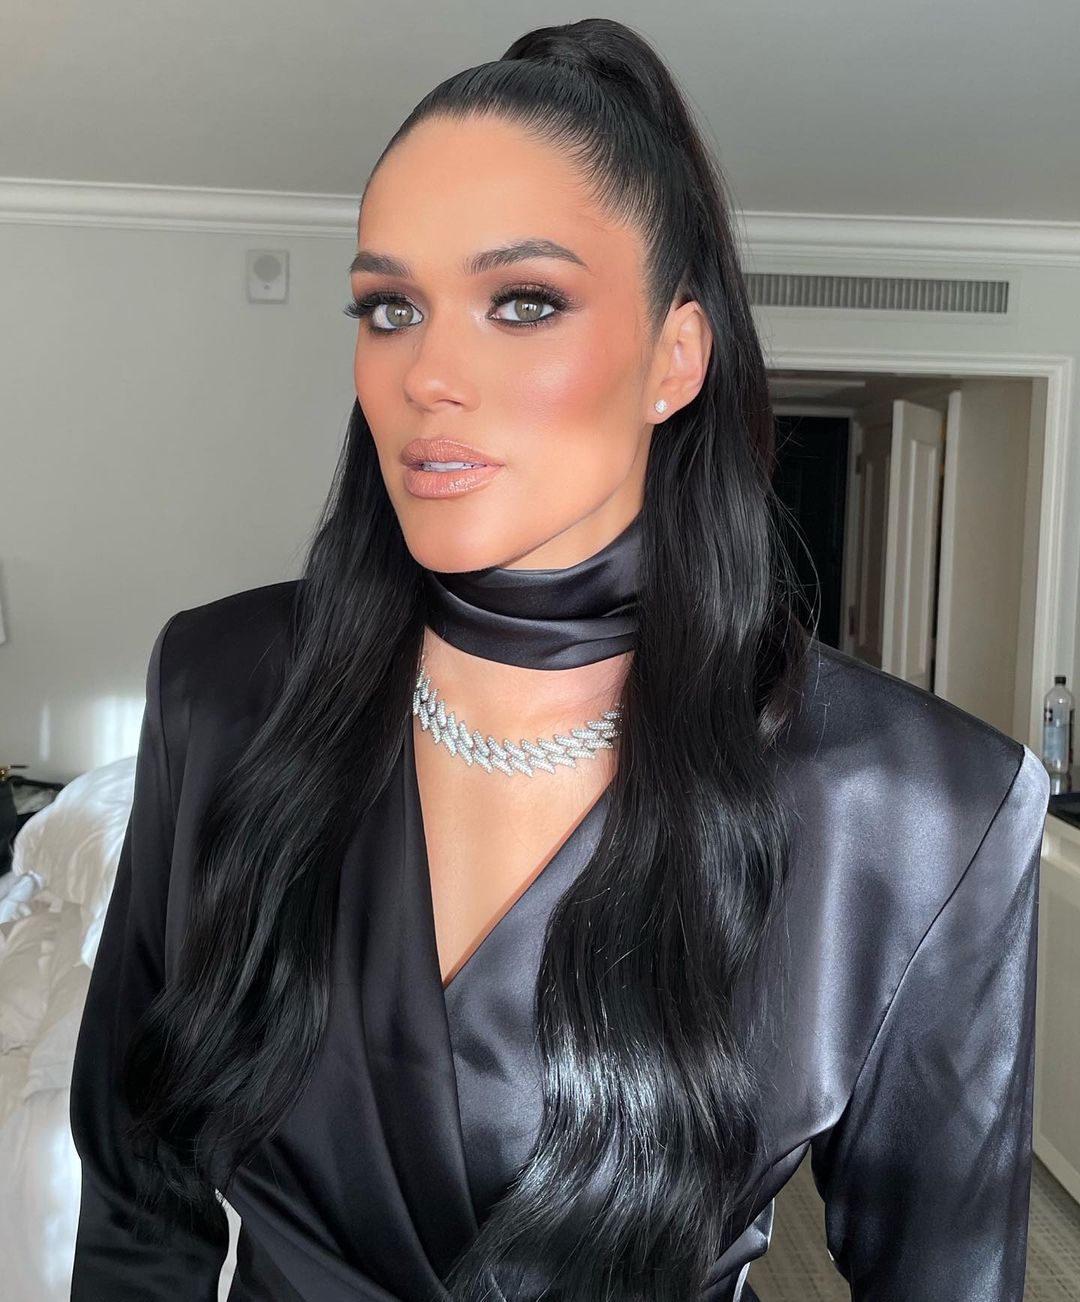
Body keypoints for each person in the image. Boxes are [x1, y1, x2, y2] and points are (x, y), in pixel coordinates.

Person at [68, 18, 1050, 1302]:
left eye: (523, 302)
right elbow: (138, 1196)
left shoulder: (924, 807)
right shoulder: (224, 686)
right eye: (389, 307)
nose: (428, 374)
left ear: (675, 358)